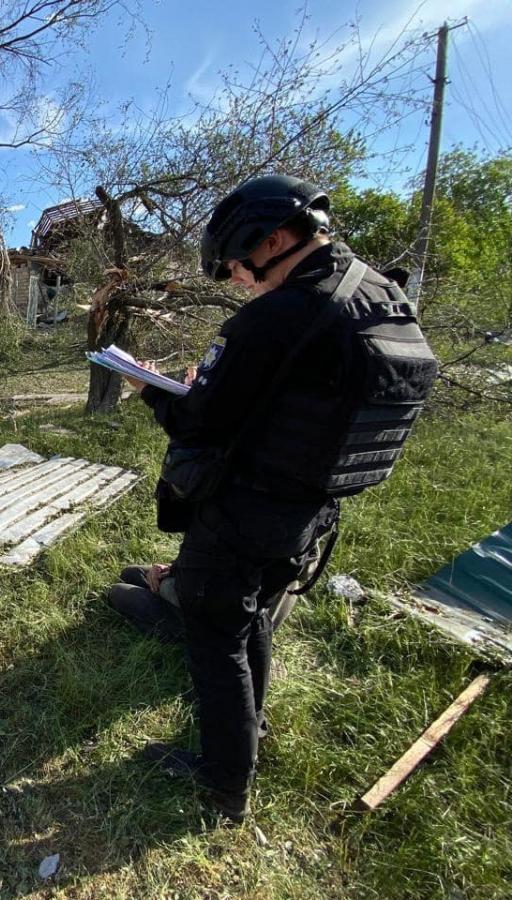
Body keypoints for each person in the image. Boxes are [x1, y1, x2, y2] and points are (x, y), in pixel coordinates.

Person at [109, 174, 436, 823]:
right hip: (312, 511)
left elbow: (198, 421)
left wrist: (158, 391)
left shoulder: (281, 314)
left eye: (239, 262)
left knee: (216, 631)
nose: (237, 278)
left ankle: (223, 782)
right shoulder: (382, 298)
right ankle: (248, 736)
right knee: (253, 618)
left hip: (245, 512)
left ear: (279, 238)